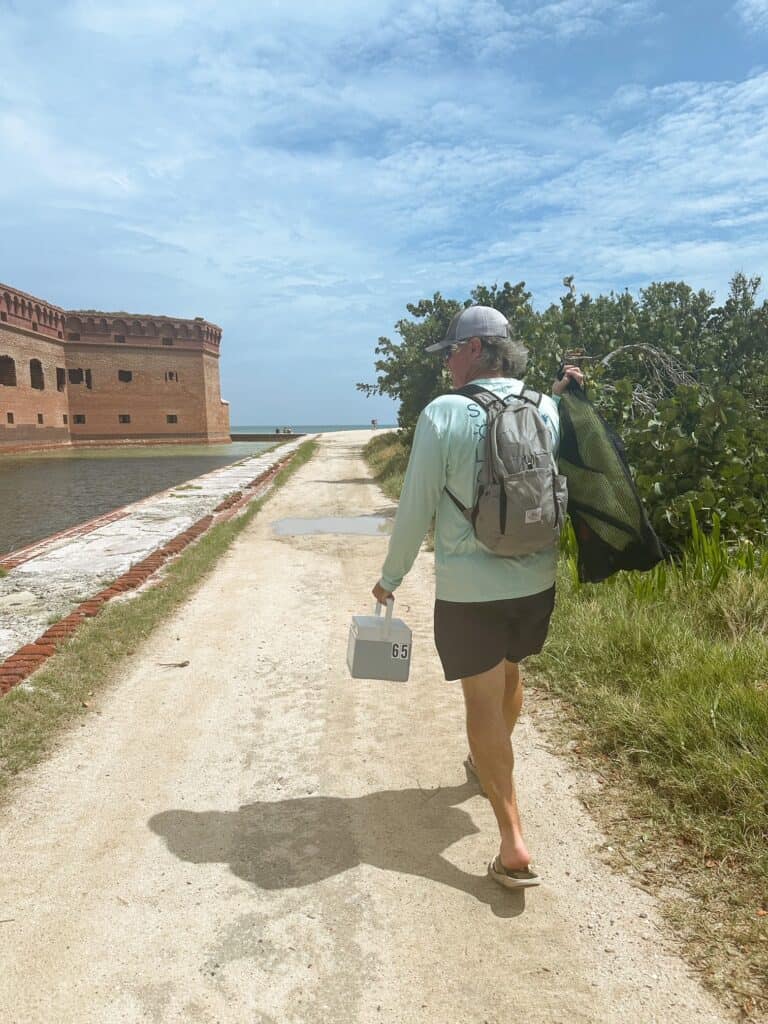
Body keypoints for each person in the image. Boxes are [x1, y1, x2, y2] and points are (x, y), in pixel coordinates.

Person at [371, 305, 583, 890]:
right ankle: (492, 764)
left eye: (450, 354)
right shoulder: (543, 405)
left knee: (482, 705)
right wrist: (564, 388)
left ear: (473, 351)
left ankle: (513, 840)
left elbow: (415, 508)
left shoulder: (442, 414)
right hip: (536, 580)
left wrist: (392, 576)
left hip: (472, 592)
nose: (445, 366)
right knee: (510, 676)